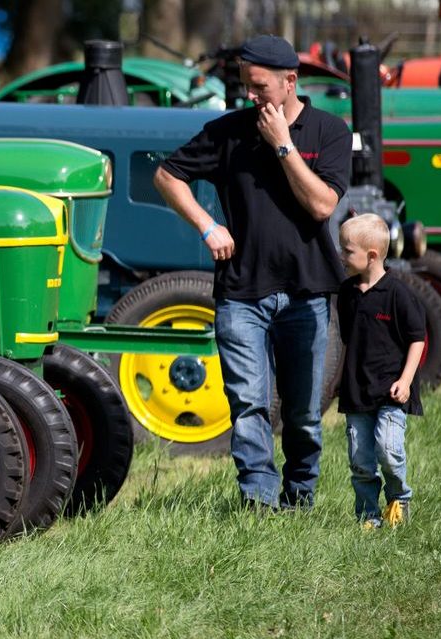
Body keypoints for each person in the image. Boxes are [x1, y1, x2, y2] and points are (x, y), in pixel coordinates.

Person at [153, 34, 353, 511]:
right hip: (241, 293)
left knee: (304, 413)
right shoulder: (228, 132)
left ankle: (300, 495)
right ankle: (259, 502)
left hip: (306, 293)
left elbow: (323, 205)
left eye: (259, 86)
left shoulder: (329, 132)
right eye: (245, 85)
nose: (251, 96)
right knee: (248, 405)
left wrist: (283, 145)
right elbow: (166, 175)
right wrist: (207, 226)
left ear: (290, 81)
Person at [336, 214, 424, 529]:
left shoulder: (398, 294)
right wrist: (340, 379)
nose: (341, 256)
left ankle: (398, 499)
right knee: (360, 460)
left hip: (391, 389)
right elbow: (349, 340)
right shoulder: (346, 293)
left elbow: (417, 338)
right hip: (357, 389)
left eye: (347, 251)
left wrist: (406, 380)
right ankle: (368, 517)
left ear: (371, 255)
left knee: (388, 449)